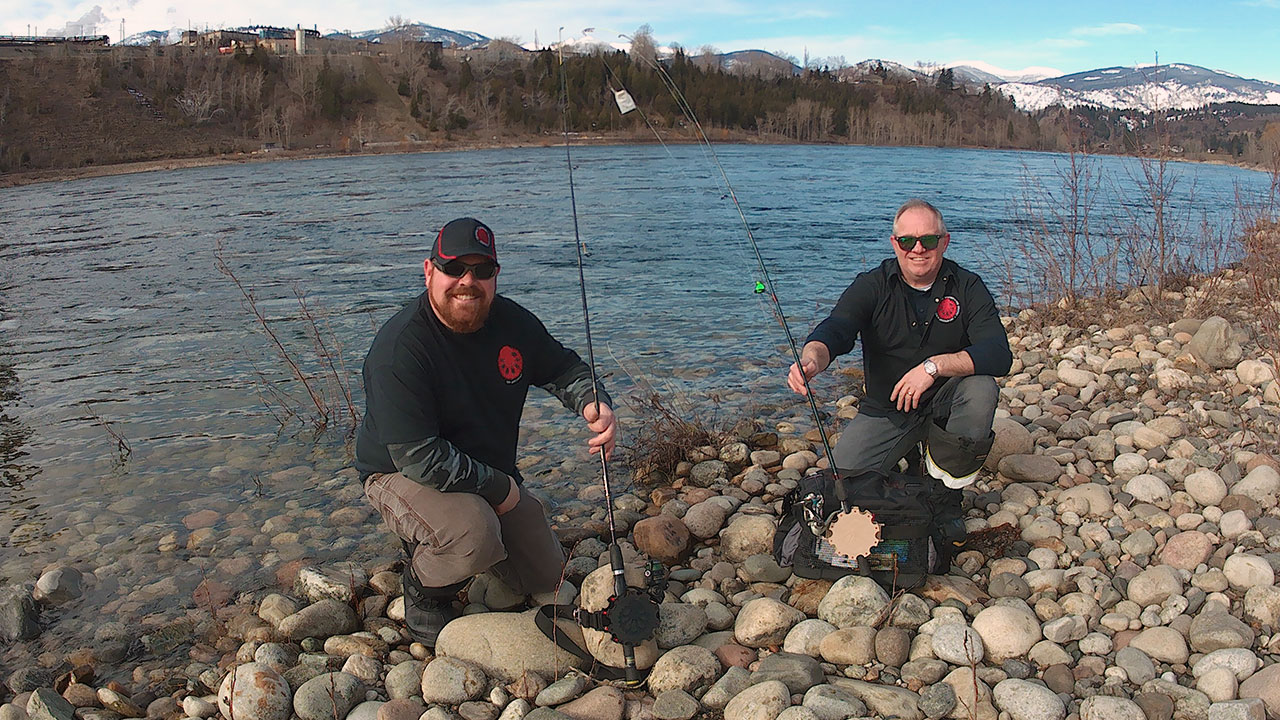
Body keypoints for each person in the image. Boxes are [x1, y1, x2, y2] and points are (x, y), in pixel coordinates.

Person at [355, 217, 617, 646]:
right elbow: (419, 457)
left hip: (483, 468)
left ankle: (473, 544)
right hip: (398, 470)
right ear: (429, 271)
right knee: (473, 533)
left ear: (496, 276)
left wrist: (594, 401)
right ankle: (423, 586)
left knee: (545, 575)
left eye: (482, 270)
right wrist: (501, 490)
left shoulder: (512, 322)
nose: (467, 281)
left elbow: (564, 367)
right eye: (454, 268)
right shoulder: (399, 349)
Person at [787, 199, 1012, 550]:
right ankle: (906, 461)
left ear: (945, 242)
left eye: (928, 240)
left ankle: (945, 496)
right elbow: (837, 328)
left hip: (945, 405)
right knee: (838, 486)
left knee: (982, 388)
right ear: (895, 244)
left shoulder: (968, 287)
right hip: (887, 410)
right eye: (907, 241)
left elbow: (998, 354)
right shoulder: (872, 285)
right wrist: (812, 359)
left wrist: (933, 367)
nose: (918, 249)